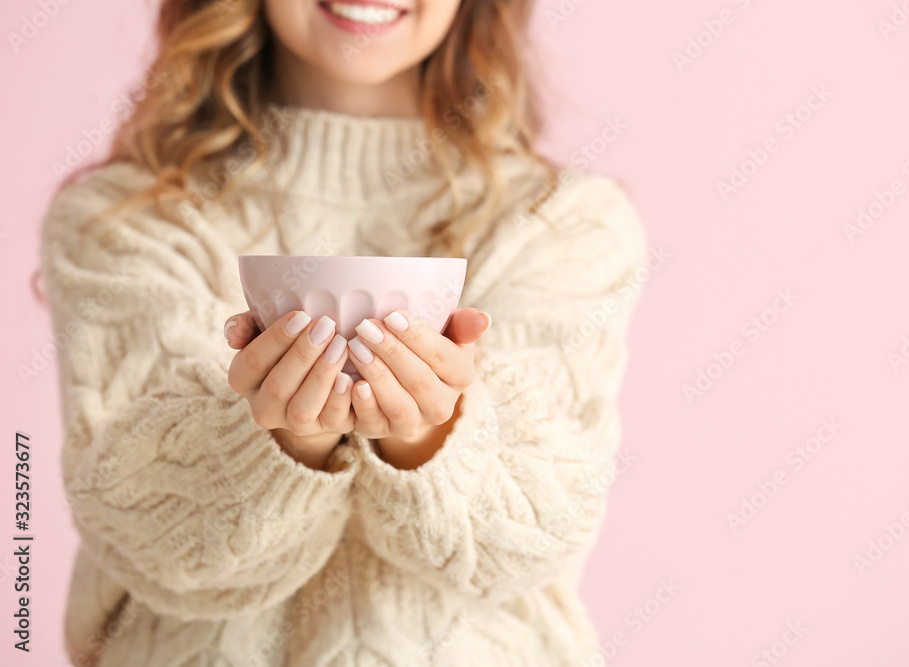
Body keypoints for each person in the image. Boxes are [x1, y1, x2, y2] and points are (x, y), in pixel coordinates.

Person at [38, 0, 649, 664]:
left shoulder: (564, 225)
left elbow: (542, 530)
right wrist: (279, 438)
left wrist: (430, 436)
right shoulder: (122, 223)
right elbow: (140, 532)